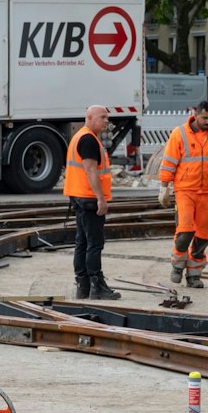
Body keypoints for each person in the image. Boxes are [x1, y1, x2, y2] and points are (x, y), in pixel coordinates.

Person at [157, 100, 208, 288]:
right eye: (204, 118)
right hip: (185, 190)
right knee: (185, 231)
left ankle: (194, 275)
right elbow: (169, 162)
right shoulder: (179, 134)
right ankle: (177, 265)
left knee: (205, 235)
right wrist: (164, 187)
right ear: (196, 114)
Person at [65, 105, 122, 301]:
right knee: (94, 244)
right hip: (89, 198)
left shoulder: (80, 136)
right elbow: (90, 171)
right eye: (102, 117)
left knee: (82, 242)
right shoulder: (89, 140)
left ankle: (83, 286)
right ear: (89, 117)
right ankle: (96, 286)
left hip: (79, 196)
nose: (107, 121)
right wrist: (101, 198)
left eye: (107, 118)